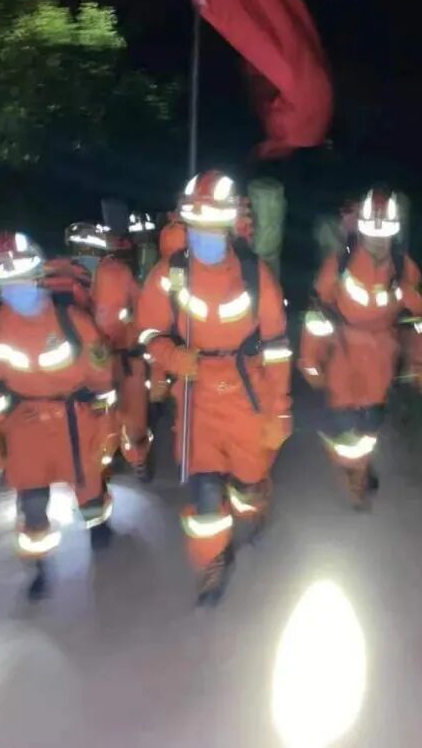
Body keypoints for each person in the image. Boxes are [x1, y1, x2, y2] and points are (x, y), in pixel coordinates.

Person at [134, 170, 292, 606]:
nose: (204, 236)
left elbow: (277, 346)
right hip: (196, 395)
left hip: (247, 393)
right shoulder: (170, 275)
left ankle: (254, 507)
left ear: (228, 226)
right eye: (196, 226)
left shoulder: (256, 275)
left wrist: (279, 410)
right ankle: (212, 563)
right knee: (204, 489)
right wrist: (170, 355)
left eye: (212, 227)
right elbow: (147, 331)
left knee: (246, 485)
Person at [0, 232, 118, 596]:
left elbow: (102, 381)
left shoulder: (73, 321)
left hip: (77, 418)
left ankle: (98, 527)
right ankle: (40, 567)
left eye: (21, 278)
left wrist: (108, 427)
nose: (16, 288)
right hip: (26, 424)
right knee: (32, 501)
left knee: (89, 485)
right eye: (7, 282)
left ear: (37, 274)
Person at [299, 188, 422, 507]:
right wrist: (310, 361)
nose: (378, 241)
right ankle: (355, 475)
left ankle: (357, 467)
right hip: (343, 355)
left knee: (370, 423)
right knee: (343, 423)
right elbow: (316, 315)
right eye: (373, 233)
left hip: (381, 359)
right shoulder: (340, 264)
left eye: (385, 233)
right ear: (361, 229)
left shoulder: (405, 269)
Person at [66, 215, 154, 482]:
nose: (84, 255)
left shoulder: (117, 273)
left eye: (87, 250)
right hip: (92, 363)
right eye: (80, 250)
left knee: (132, 417)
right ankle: (102, 465)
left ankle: (137, 460)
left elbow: (143, 307)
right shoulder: (68, 280)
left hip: (124, 356)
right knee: (98, 417)